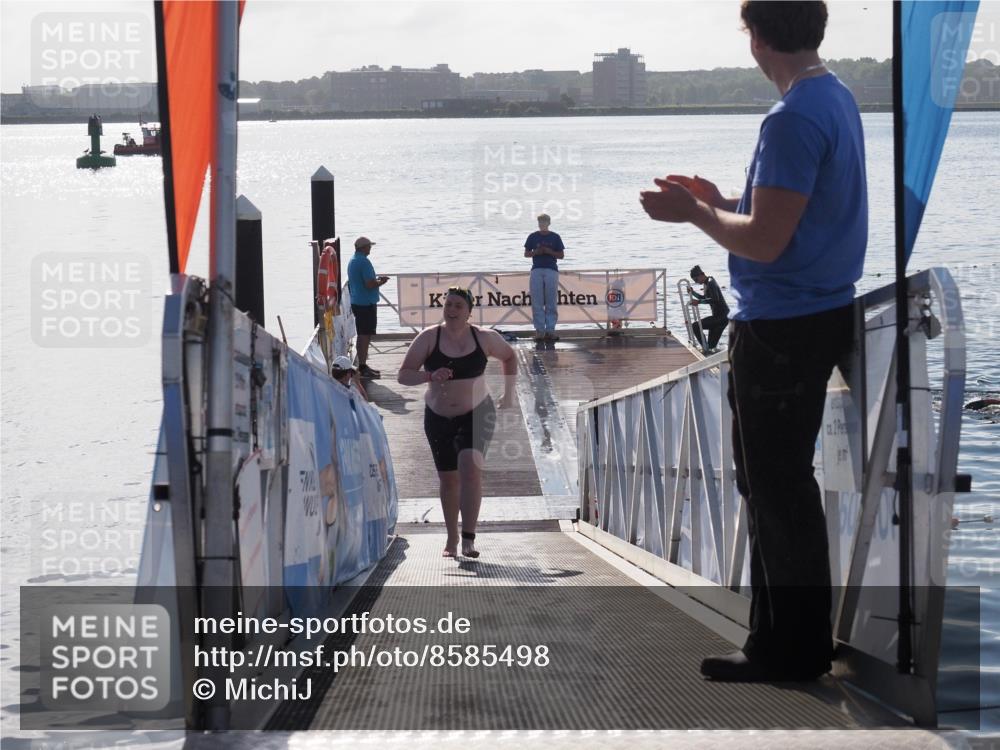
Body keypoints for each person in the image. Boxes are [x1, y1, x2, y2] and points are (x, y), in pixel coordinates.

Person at [640, 0, 866, 682]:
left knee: (774, 486)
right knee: (781, 484)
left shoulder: (790, 117)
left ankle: (788, 649)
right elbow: (792, 220)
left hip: (781, 326)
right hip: (819, 312)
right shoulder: (835, 96)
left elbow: (766, 243)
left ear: (756, 36)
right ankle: (792, 639)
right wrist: (723, 202)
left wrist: (695, 212)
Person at [397, 287, 517, 558]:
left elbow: (509, 356)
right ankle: (451, 537)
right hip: (438, 416)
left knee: (470, 469)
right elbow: (403, 375)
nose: (451, 310)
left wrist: (508, 394)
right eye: (448, 304)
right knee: (449, 479)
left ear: (469, 312)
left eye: (458, 306)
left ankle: (468, 539)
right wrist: (429, 376)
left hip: (477, 411)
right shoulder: (429, 337)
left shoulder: (484, 337)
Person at [347, 236, 389, 379]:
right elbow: (370, 284)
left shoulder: (353, 260)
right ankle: (362, 367)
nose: (370, 248)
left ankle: (362, 365)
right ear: (363, 247)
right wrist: (381, 281)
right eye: (369, 246)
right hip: (365, 303)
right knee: (365, 335)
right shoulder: (364, 262)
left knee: (362, 334)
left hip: (357, 301)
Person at [523, 213, 565, 342]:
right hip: (537, 269)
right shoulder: (533, 236)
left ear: (549, 223)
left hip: (551, 269)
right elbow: (526, 254)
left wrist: (549, 251)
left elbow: (561, 255)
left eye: (544, 222)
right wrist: (536, 252)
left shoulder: (555, 237)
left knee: (551, 301)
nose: (542, 224)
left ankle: (550, 330)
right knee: (537, 302)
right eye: (540, 222)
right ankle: (540, 331)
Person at [688, 265, 730, 353]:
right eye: (694, 281)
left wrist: (699, 302)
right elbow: (705, 297)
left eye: (696, 279)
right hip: (720, 318)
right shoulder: (707, 283)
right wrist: (693, 293)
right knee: (711, 347)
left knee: (695, 326)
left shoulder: (710, 283)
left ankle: (704, 349)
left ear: (702, 274)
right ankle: (707, 350)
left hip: (721, 318)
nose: (696, 282)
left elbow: (715, 299)